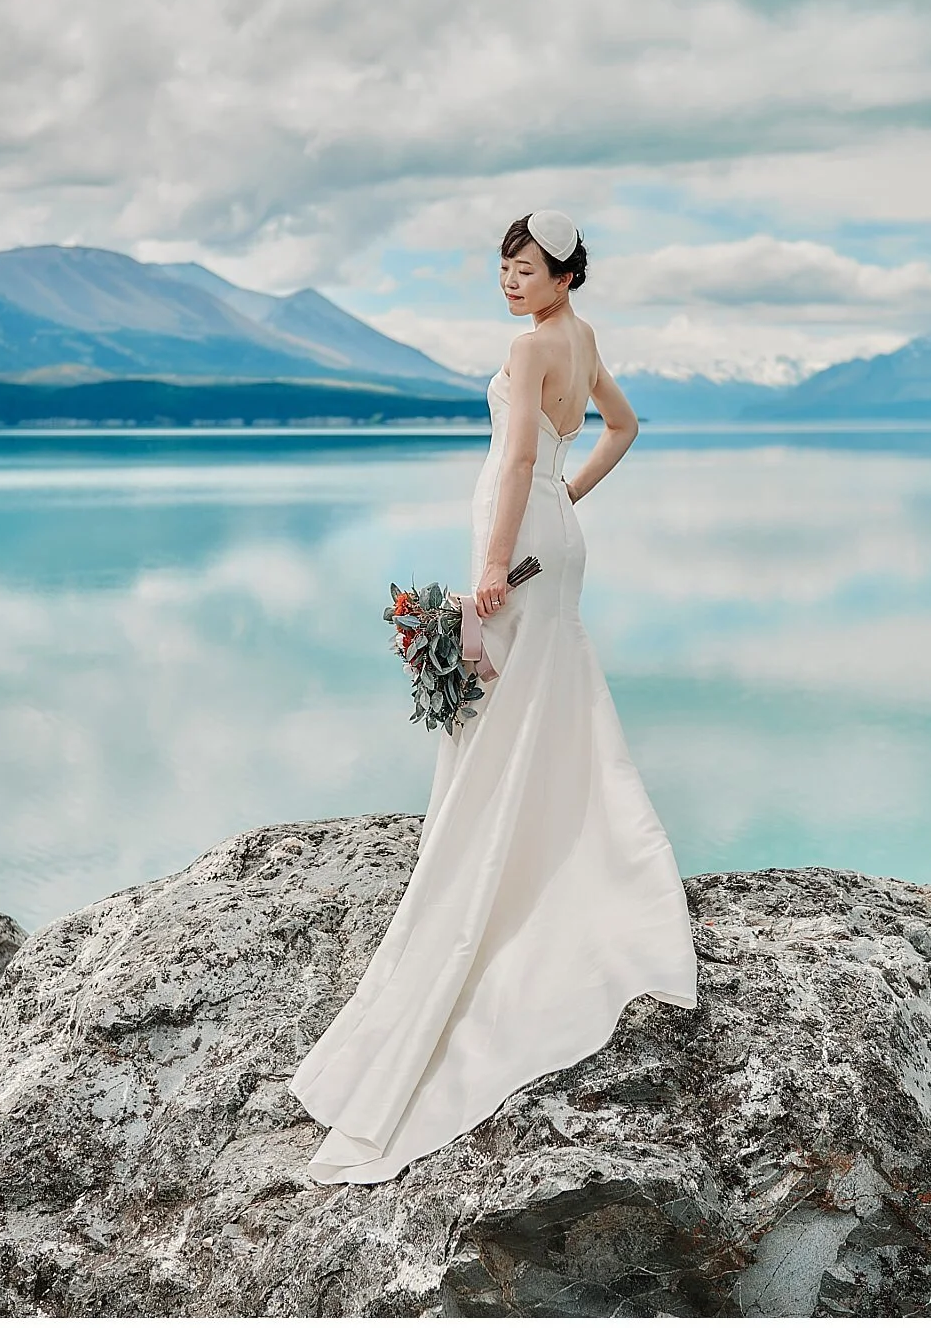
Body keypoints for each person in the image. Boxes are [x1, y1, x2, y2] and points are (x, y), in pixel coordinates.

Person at [286, 209, 699, 1185]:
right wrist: (566, 501)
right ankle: (567, 858)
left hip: (517, 547)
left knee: (504, 708)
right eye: (503, 268)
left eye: (526, 268)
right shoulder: (581, 341)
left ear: (563, 274)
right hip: (555, 540)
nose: (510, 281)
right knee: (546, 703)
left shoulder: (528, 349)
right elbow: (623, 429)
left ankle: (497, 876)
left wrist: (487, 570)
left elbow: (515, 461)